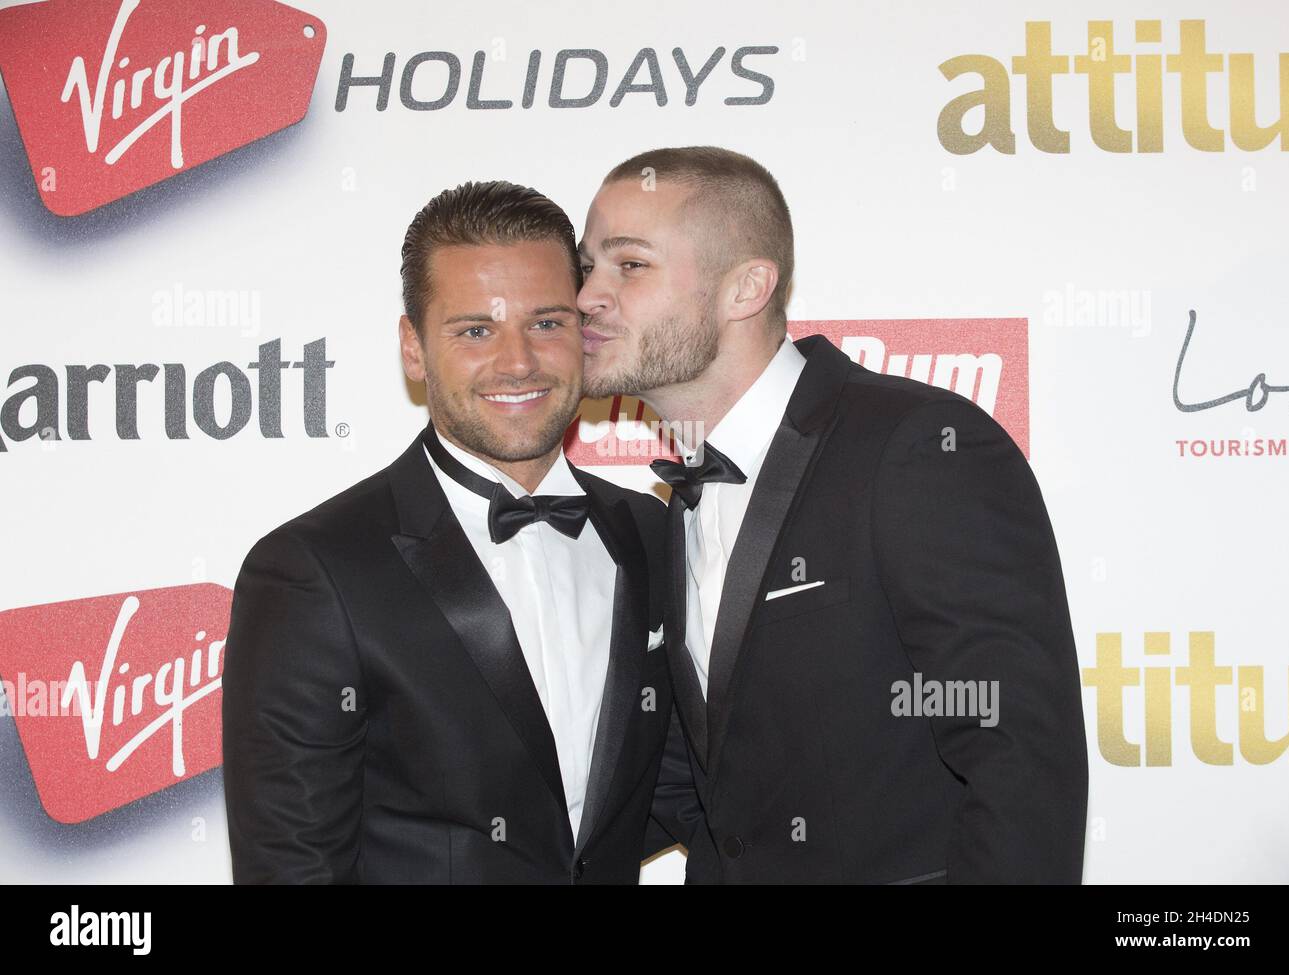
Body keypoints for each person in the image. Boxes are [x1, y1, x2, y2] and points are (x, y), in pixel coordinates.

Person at [576, 146, 1089, 883]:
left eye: (629, 265)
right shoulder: (678, 504)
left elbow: (1022, 761)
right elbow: (710, 784)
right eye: (587, 265)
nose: (589, 294)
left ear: (746, 286)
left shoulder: (917, 447)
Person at [222, 180, 695, 883]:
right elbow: (290, 867)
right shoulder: (313, 570)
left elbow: (670, 793)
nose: (517, 362)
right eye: (476, 330)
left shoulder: (651, 532)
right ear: (413, 349)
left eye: (546, 322)